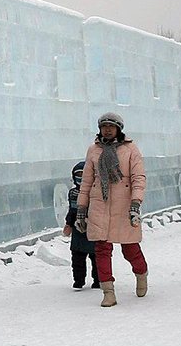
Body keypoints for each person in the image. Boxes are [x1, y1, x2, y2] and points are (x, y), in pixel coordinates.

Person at [75, 112, 148, 307]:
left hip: (124, 204)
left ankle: (141, 274)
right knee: (101, 249)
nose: (107, 129)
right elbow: (87, 181)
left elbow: (138, 178)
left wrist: (135, 202)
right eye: (104, 126)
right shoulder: (93, 150)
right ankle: (108, 292)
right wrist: (81, 207)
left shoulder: (130, 149)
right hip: (99, 203)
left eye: (111, 126)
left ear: (118, 129)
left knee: (130, 248)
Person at [61, 161, 98, 289]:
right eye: (78, 175)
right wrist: (68, 224)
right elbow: (72, 210)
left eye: (84, 175)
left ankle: (98, 280)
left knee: (97, 257)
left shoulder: (96, 192)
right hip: (78, 229)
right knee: (77, 257)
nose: (81, 178)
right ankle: (78, 280)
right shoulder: (73, 193)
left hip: (94, 228)